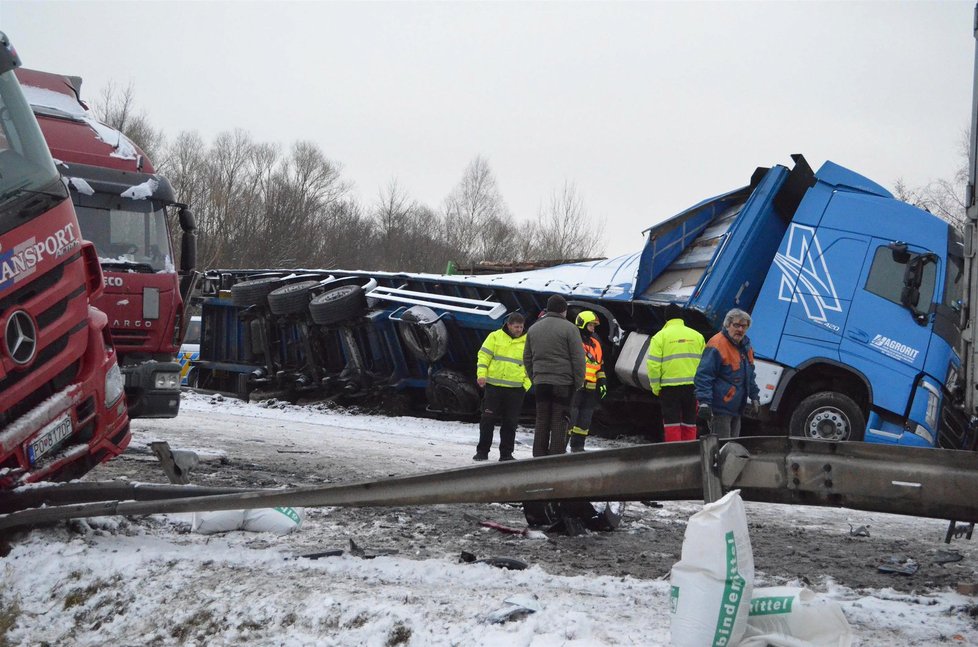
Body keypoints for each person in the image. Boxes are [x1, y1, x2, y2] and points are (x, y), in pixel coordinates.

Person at [523, 294, 586, 456]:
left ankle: (538, 455)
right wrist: (578, 382)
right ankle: (556, 457)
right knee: (560, 420)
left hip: (541, 382)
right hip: (563, 383)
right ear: (564, 310)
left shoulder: (534, 328)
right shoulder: (570, 329)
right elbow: (578, 358)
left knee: (542, 419)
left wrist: (534, 377)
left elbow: (527, 357)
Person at [693, 308, 760, 439]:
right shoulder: (717, 344)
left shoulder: (746, 347)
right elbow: (704, 375)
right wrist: (704, 402)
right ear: (727, 325)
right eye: (736, 325)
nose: (740, 329)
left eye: (744, 326)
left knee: (731, 447)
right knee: (722, 448)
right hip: (720, 409)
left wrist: (755, 397)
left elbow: (749, 376)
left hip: (736, 409)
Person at [473, 312, 531, 461]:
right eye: (516, 327)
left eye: (521, 327)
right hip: (494, 387)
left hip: (516, 390)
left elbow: (533, 365)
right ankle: (482, 452)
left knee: (510, 423)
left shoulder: (528, 341)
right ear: (509, 325)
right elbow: (484, 356)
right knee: (487, 420)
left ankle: (506, 454)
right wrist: (481, 375)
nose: (519, 330)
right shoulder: (495, 337)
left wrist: (526, 385)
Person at [647, 303, 705, 442]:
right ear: (681, 317)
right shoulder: (697, 336)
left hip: (669, 388)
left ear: (666, 318)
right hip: (692, 388)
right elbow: (704, 365)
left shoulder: (660, 337)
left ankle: (675, 453)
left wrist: (656, 388)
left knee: (671, 423)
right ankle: (688, 450)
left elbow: (653, 365)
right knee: (690, 421)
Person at [567, 310, 606, 452]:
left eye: (594, 326)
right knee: (571, 418)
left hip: (591, 388)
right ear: (582, 324)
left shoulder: (596, 343)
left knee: (585, 420)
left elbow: (599, 365)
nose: (593, 329)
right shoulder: (573, 341)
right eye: (591, 325)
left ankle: (578, 447)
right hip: (576, 386)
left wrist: (602, 382)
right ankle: (560, 447)